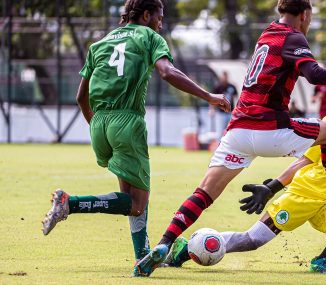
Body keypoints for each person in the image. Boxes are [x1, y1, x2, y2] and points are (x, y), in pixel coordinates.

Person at [135, 0, 326, 277]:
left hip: (237, 130)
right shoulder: (293, 36)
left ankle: (165, 243)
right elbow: (315, 75)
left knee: (203, 193)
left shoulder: (267, 34)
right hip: (269, 127)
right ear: (305, 15)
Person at [41, 0, 230, 267]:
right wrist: (208, 96)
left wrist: (98, 127)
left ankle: (142, 255)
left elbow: (80, 96)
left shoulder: (100, 43)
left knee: (129, 195)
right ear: (146, 15)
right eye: (160, 18)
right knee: (138, 203)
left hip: (99, 123)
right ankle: (69, 204)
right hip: (127, 122)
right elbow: (167, 72)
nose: (160, 24)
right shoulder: (149, 37)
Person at [164, 75, 326, 274]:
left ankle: (321, 261)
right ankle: (186, 249)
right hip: (305, 191)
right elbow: (305, 160)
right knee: (252, 240)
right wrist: (272, 187)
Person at [210, 71, 238, 137]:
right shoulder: (218, 87)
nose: (225, 78)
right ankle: (219, 146)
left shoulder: (232, 86)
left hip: (230, 112)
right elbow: (212, 99)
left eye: (226, 76)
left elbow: (236, 98)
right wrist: (212, 109)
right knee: (219, 132)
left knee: (230, 131)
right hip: (220, 112)